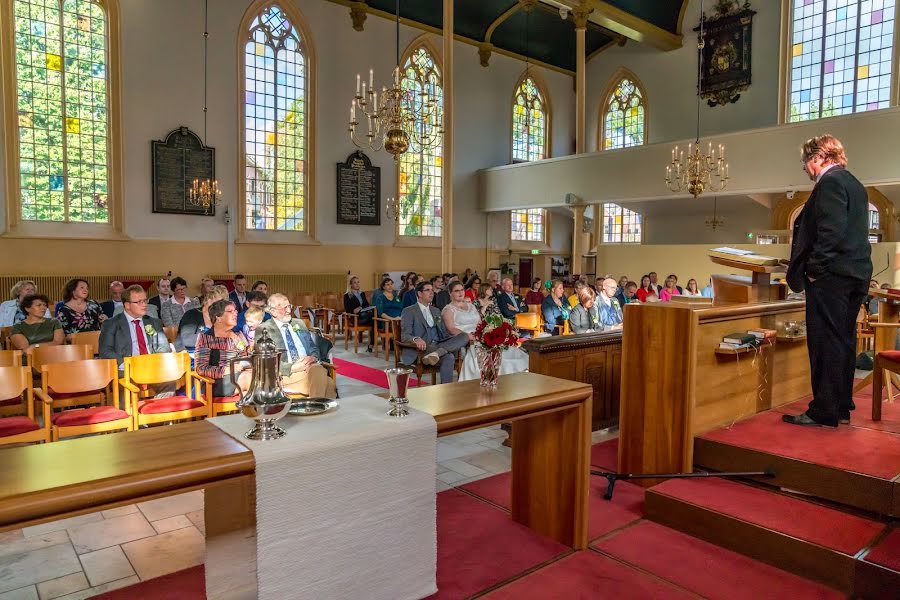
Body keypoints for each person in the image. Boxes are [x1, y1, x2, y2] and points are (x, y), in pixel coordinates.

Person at [784, 135, 872, 427]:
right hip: (855, 274)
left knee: (824, 342)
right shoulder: (855, 184)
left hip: (831, 276)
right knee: (843, 341)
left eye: (806, 163)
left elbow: (831, 232)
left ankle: (823, 410)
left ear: (819, 156)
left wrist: (813, 269)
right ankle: (840, 405)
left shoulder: (830, 182)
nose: (807, 170)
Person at [443, 282, 528, 381]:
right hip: (466, 339)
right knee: (492, 358)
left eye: (462, 290)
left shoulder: (471, 306)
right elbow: (451, 329)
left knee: (506, 351)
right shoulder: (448, 310)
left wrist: (488, 331)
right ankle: (495, 377)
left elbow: (480, 323)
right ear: (450, 293)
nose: (460, 293)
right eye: (456, 291)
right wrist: (468, 336)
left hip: (480, 335)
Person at [257, 293, 336, 398]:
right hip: (286, 374)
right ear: (272, 311)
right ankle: (317, 408)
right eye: (284, 308)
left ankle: (314, 407)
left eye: (289, 306)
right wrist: (292, 368)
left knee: (318, 370)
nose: (289, 311)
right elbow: (265, 360)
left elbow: (313, 347)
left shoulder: (299, 323)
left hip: (309, 367)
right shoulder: (264, 329)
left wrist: (313, 358)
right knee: (328, 383)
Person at [400, 281, 469, 384]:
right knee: (449, 356)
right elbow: (405, 336)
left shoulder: (436, 310)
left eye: (432, 290)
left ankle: (437, 353)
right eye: (427, 290)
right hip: (422, 349)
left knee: (464, 336)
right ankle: (446, 390)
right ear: (419, 293)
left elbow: (444, 333)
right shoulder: (409, 311)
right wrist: (416, 339)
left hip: (438, 346)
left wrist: (454, 338)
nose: (431, 293)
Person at [98, 285, 170, 369]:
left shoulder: (154, 322)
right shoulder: (111, 324)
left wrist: (156, 362)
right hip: (126, 369)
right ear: (127, 305)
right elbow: (106, 351)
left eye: (145, 300)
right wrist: (125, 365)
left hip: (152, 367)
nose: (144, 305)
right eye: (139, 302)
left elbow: (163, 346)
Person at [195, 300, 252, 398]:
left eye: (235, 311)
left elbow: (245, 358)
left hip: (240, 375)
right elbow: (201, 368)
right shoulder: (206, 338)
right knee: (250, 379)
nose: (235, 314)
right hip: (216, 382)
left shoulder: (238, 335)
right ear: (218, 317)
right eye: (230, 311)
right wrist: (227, 370)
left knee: (260, 375)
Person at [177, 285, 229, 354]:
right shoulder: (192, 314)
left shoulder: (220, 317)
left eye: (223, 305)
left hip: (213, 357)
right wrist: (214, 340)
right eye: (219, 304)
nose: (221, 308)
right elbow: (187, 340)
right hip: (189, 357)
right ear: (208, 300)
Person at [344, 275, 374, 352]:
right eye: (355, 283)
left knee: (374, 321)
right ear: (351, 284)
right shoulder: (347, 296)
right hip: (355, 318)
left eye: (358, 282)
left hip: (365, 315)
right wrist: (356, 310)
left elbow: (366, 305)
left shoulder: (362, 293)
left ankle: (370, 346)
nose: (357, 284)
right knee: (374, 318)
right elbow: (348, 310)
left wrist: (360, 308)